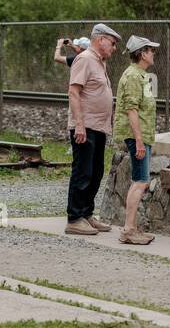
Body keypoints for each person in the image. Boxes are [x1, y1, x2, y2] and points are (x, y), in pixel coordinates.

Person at [65, 22, 120, 236]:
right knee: (83, 171)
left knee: (95, 172)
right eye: (112, 43)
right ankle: (74, 218)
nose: (114, 48)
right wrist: (79, 125)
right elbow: (74, 92)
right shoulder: (85, 59)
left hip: (98, 127)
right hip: (85, 126)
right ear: (100, 39)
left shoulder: (99, 62)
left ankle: (86, 213)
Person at [113, 35, 159, 245]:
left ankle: (130, 228)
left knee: (139, 180)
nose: (153, 54)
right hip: (136, 136)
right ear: (142, 53)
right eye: (150, 50)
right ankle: (129, 230)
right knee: (140, 181)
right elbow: (131, 109)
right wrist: (139, 140)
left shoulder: (141, 75)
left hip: (143, 135)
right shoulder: (133, 76)